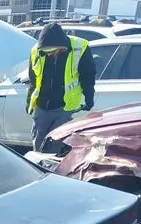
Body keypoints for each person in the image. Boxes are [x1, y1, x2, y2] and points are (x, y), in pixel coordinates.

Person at [26, 22, 96, 151]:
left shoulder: (79, 48)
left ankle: (51, 168)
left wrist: (89, 97)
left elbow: (88, 75)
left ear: (61, 47)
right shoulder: (37, 51)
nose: (48, 54)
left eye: (51, 51)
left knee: (55, 144)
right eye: (46, 51)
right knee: (38, 142)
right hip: (42, 105)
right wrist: (29, 100)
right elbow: (33, 78)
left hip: (64, 105)